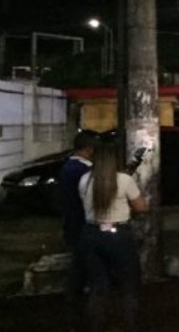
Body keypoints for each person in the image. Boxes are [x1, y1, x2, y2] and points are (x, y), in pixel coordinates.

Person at [78, 140, 148, 332]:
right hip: (118, 236)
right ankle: (131, 325)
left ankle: (96, 326)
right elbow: (141, 207)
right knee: (129, 285)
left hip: (91, 235)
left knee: (98, 287)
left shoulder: (85, 180)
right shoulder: (124, 180)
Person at [61, 130, 98, 332]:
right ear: (90, 150)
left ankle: (75, 300)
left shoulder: (68, 166)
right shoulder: (82, 171)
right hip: (83, 223)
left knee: (79, 261)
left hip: (72, 222)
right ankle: (79, 310)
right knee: (84, 264)